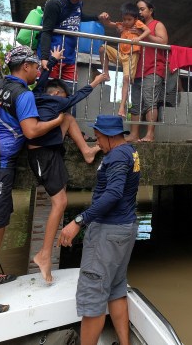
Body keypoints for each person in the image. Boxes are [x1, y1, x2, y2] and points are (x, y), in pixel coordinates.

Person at [0, 46, 65, 320]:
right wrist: (57, 120)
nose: (38, 70)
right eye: (35, 66)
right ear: (26, 66)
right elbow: (31, 130)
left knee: (1, 219)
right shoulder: (24, 94)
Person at [27, 45, 110, 283]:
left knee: (69, 118)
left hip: (53, 153)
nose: (65, 101)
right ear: (56, 96)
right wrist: (95, 81)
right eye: (63, 98)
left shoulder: (37, 95)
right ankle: (44, 255)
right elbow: (79, 94)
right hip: (43, 156)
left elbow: (41, 79)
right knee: (60, 203)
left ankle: (86, 151)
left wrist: (51, 62)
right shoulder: (57, 104)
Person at [57, 115, 141, 345]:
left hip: (108, 231)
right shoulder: (130, 152)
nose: (97, 142)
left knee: (93, 295)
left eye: (99, 137)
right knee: (116, 288)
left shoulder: (116, 157)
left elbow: (113, 194)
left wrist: (79, 220)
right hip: (125, 229)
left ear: (110, 135)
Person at [38, 0, 109, 81]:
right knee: (47, 93)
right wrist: (44, 58)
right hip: (52, 56)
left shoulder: (79, 2)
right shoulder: (55, 3)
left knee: (69, 93)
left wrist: (97, 17)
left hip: (69, 58)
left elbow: (78, 17)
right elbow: (46, 31)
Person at [99, 2, 151, 118]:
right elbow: (109, 24)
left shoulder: (137, 24)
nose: (126, 22)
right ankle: (106, 73)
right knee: (103, 49)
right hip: (121, 54)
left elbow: (148, 31)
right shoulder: (122, 25)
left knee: (126, 79)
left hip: (131, 56)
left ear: (135, 18)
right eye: (124, 19)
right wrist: (105, 18)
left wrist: (139, 38)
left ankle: (122, 107)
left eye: (129, 19)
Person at [129, 0, 169, 142]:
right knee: (135, 104)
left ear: (150, 10)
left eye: (142, 9)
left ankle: (150, 135)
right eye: (137, 9)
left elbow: (164, 42)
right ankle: (134, 135)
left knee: (150, 102)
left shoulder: (157, 24)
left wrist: (145, 34)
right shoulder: (136, 25)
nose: (139, 12)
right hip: (137, 70)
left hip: (153, 68)